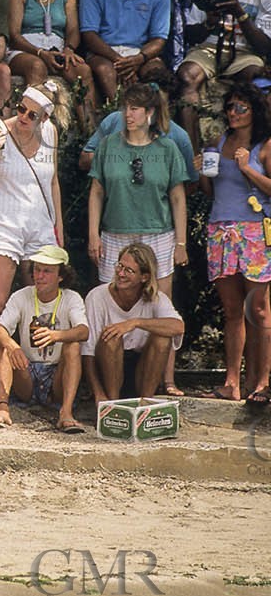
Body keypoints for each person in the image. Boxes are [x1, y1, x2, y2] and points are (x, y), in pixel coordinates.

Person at [0, 86, 63, 412]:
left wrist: (59, 232)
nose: (23, 117)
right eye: (20, 109)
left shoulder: (50, 134)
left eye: (31, 115)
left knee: (41, 306)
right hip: (3, 223)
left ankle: (37, 383)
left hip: (40, 226)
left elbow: (53, 182)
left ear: (45, 118)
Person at [200, 85, 271, 404]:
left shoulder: (265, 146)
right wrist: (201, 169)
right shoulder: (220, 142)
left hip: (254, 230)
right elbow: (210, 191)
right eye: (230, 107)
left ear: (254, 111)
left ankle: (262, 382)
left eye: (241, 107)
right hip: (220, 229)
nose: (233, 113)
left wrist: (246, 168)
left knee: (258, 310)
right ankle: (232, 382)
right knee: (231, 310)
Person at [88, 84, 188, 295]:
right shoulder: (108, 145)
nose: (128, 114)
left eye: (134, 109)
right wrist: (93, 235)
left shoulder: (167, 149)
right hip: (115, 232)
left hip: (158, 233)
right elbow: (97, 192)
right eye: (126, 108)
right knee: (111, 297)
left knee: (160, 299)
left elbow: (178, 198)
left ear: (150, 112)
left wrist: (181, 242)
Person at [175, 0, 271, 148]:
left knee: (254, 76)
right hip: (210, 46)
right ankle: (191, 151)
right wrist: (209, 22)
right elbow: (190, 35)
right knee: (187, 76)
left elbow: (264, 46)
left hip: (244, 51)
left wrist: (240, 13)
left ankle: (245, 146)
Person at [0, 244, 89, 433]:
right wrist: (12, 345)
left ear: (61, 276)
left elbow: (83, 331)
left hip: (56, 374)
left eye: (47, 271)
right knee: (4, 346)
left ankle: (65, 412)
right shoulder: (22, 296)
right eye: (37, 270)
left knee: (72, 346)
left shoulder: (71, 298)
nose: (39, 276)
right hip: (27, 371)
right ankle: (2, 409)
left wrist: (56, 335)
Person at [5, 0, 94, 126]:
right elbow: (14, 34)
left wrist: (69, 49)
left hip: (57, 47)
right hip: (25, 48)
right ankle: (31, 128)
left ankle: (89, 134)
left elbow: (72, 29)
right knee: (37, 66)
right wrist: (40, 53)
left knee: (83, 71)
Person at [82, 243, 185, 403]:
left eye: (129, 270)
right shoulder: (97, 297)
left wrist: (135, 322)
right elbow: (87, 351)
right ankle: (112, 404)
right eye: (120, 266)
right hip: (107, 366)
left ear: (144, 277)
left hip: (141, 370)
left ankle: (145, 402)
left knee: (162, 338)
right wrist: (97, 392)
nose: (121, 273)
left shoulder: (157, 298)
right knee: (111, 337)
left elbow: (178, 327)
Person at [78, 0, 173, 102]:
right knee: (106, 71)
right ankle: (120, 116)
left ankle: (159, 121)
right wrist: (121, 62)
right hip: (105, 52)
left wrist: (139, 59)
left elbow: (159, 39)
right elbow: (89, 34)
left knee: (157, 73)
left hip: (140, 51)